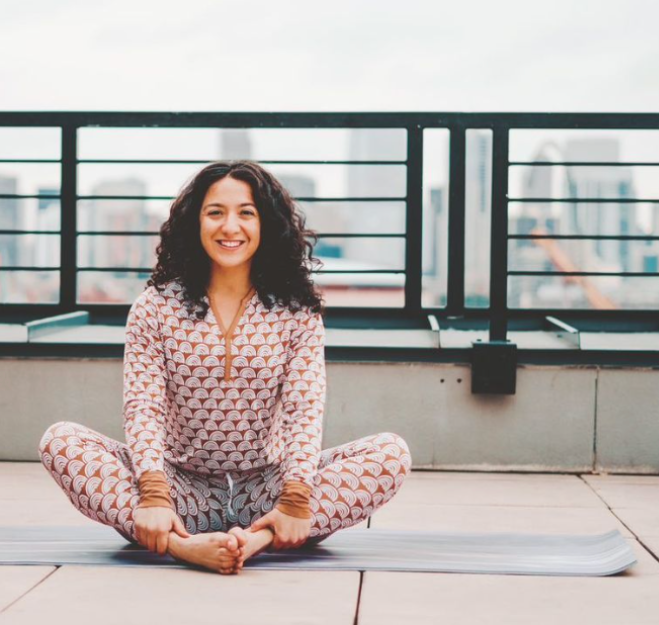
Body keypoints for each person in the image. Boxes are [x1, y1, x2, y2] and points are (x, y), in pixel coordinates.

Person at [39, 160, 412, 575]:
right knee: (60, 441)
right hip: (179, 490)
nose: (230, 226)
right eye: (215, 212)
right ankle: (186, 546)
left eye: (246, 213)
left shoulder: (297, 311)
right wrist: (154, 494)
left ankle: (256, 540)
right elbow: (143, 408)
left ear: (266, 224)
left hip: (268, 493)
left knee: (391, 453)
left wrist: (294, 498)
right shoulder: (156, 307)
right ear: (195, 222)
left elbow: (304, 412)